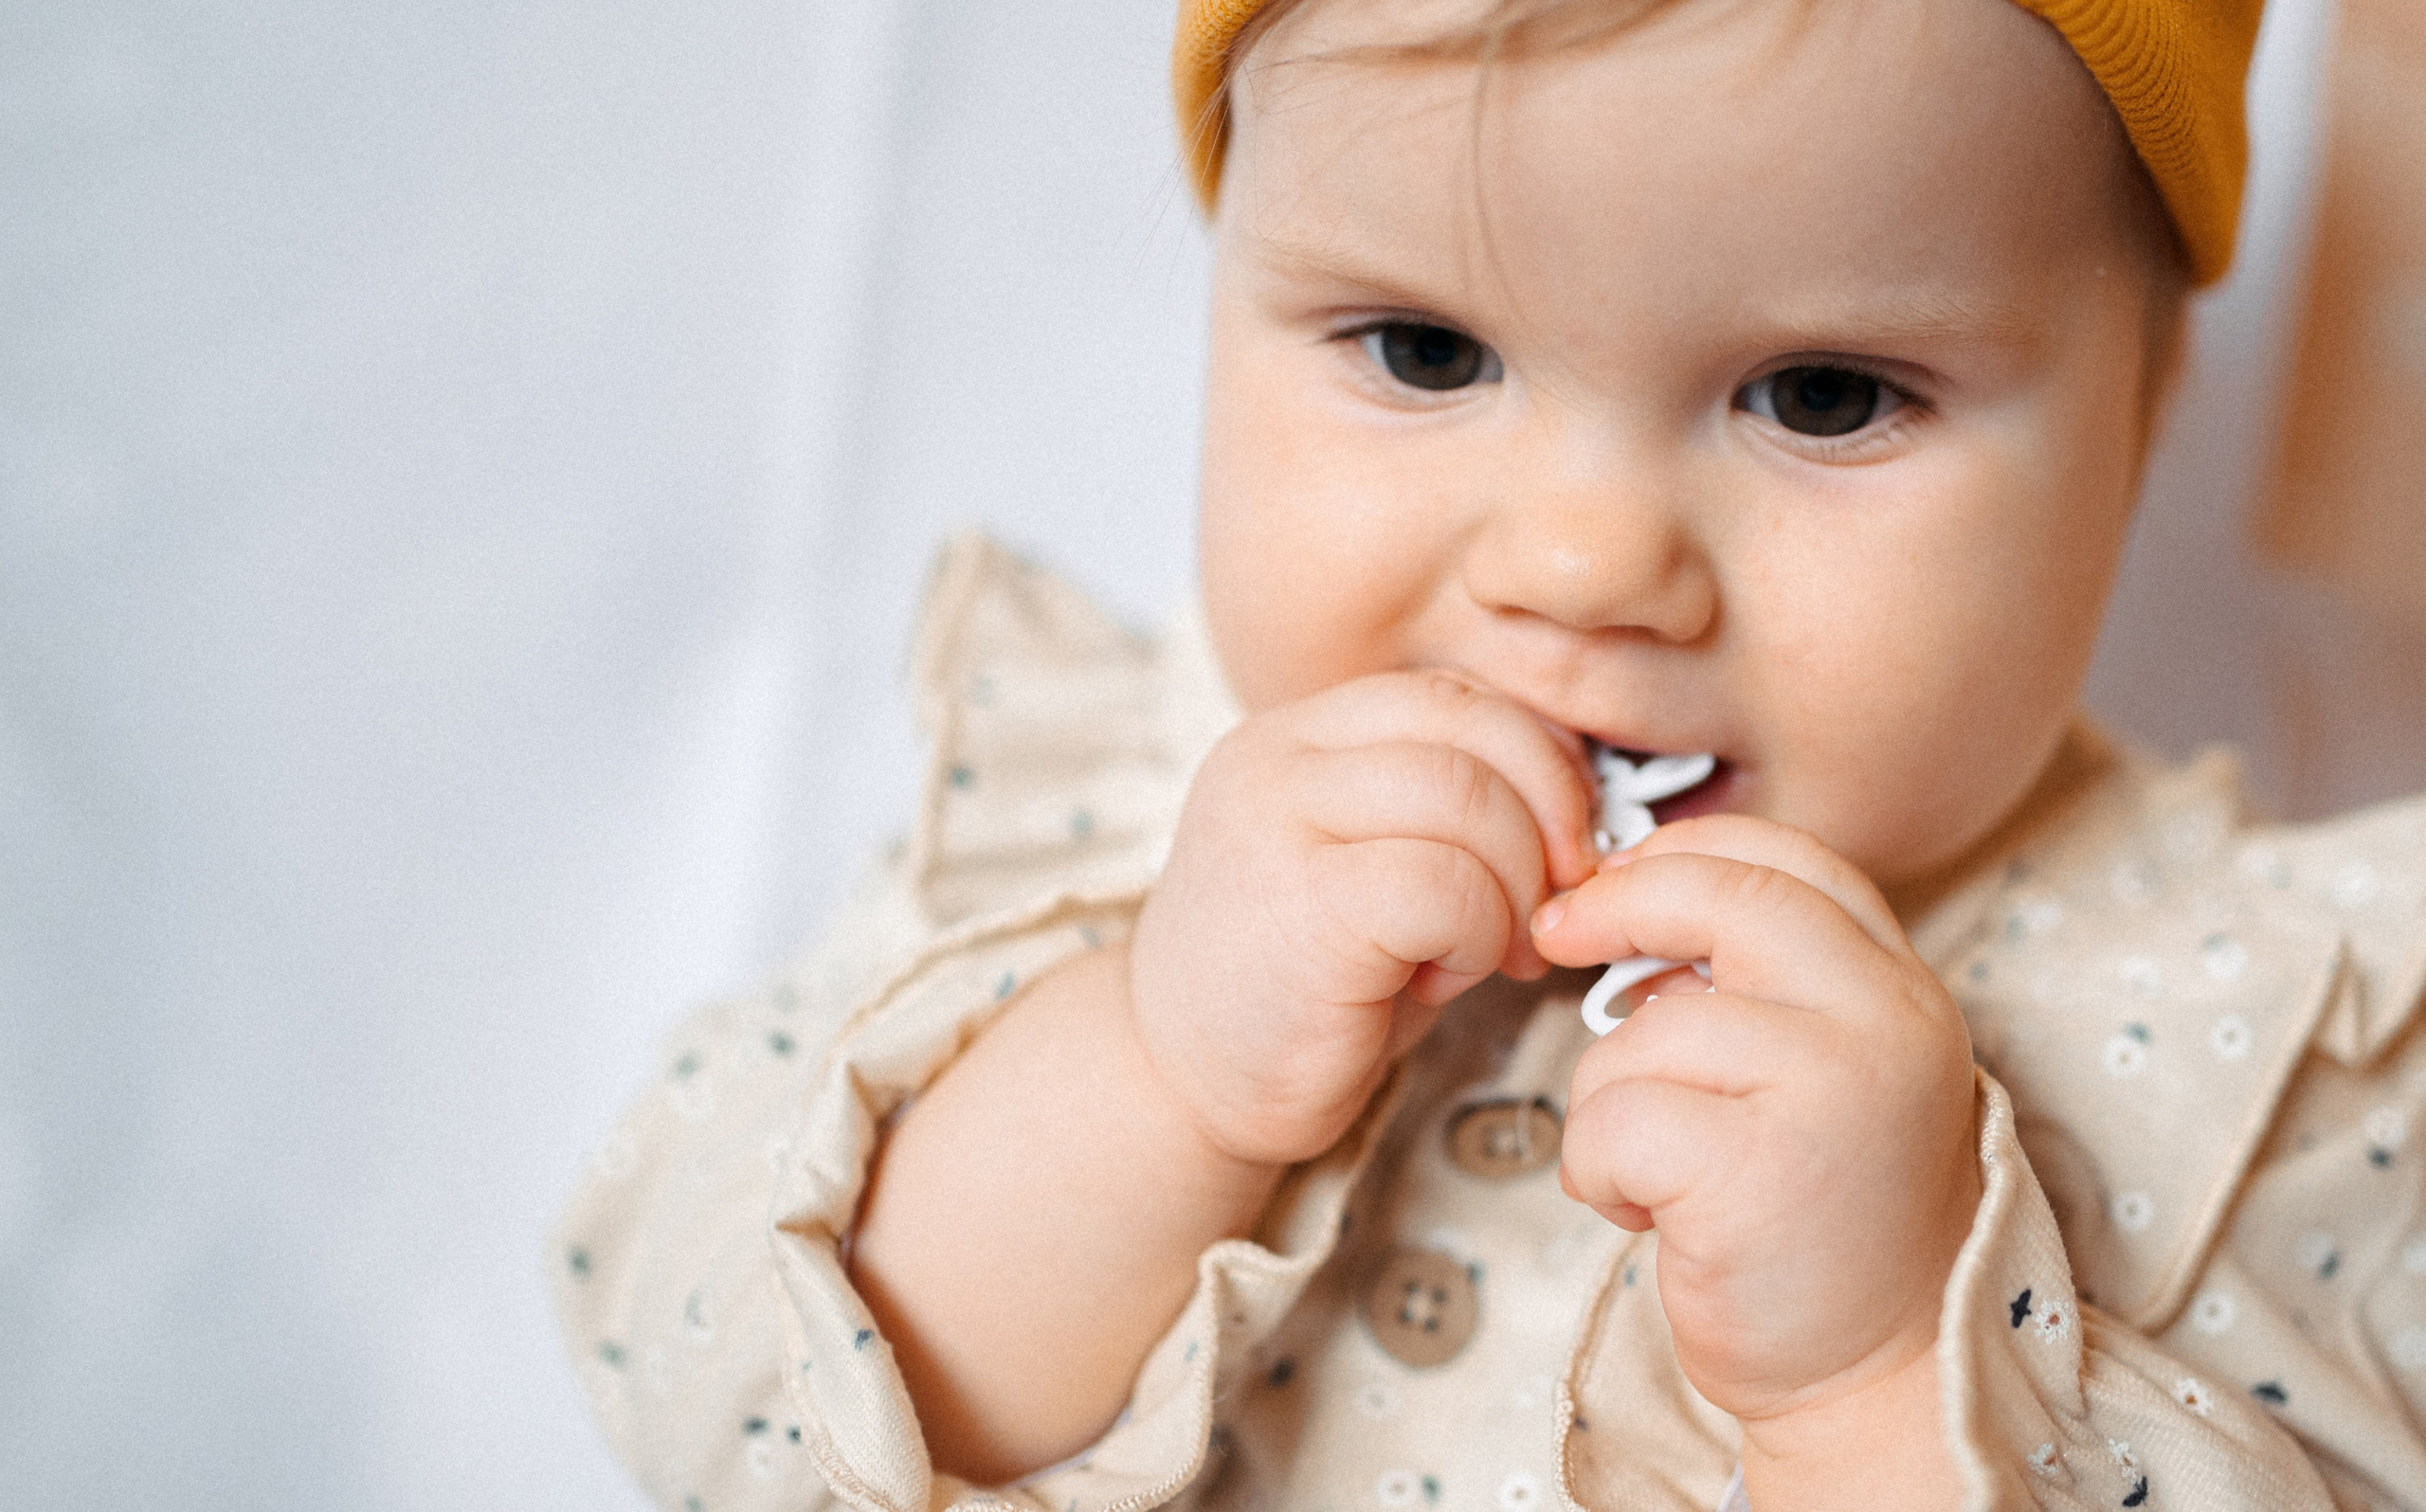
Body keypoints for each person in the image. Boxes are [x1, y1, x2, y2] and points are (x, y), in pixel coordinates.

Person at [552, 0, 2426, 1506]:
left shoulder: (2246, 1037)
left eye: (1821, 395)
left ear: (2141, 408)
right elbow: (689, 1371)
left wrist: (1875, 1386)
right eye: (1425, 352)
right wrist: (1153, 1072)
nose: (1579, 564)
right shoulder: (1107, 824)